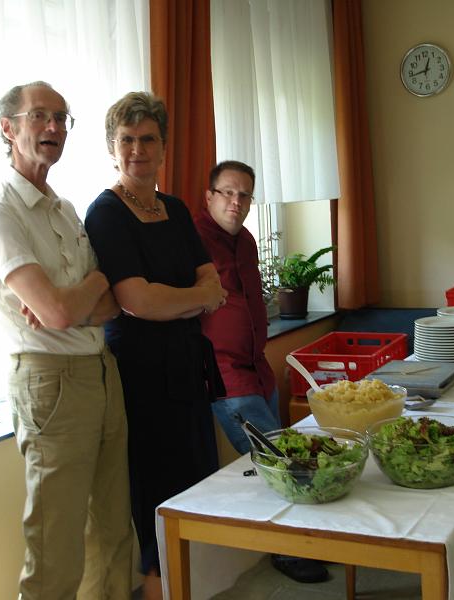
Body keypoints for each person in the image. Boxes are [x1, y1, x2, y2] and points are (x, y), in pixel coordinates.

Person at [0, 81, 133, 600]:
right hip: (50, 381)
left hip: (101, 370)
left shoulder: (64, 208)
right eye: (40, 116)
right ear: (8, 128)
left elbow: (109, 304)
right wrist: (80, 295)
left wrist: (76, 299)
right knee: (55, 546)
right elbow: (58, 311)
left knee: (114, 529)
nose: (53, 127)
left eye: (62, 118)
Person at [84, 91, 228, 600]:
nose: (137, 150)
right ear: (112, 147)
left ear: (164, 148)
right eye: (127, 140)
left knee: (198, 489)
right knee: (155, 500)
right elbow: (138, 301)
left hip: (187, 369)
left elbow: (212, 282)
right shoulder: (105, 213)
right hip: (139, 378)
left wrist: (180, 301)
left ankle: (194, 589)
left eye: (148, 139)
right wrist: (195, 299)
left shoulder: (176, 208)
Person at [194, 160, 329, 584]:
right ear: (209, 196)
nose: (236, 202)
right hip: (226, 375)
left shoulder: (247, 240)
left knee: (282, 458)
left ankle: (307, 537)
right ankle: (288, 550)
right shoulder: (192, 240)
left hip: (258, 368)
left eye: (244, 195)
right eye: (227, 193)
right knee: (277, 463)